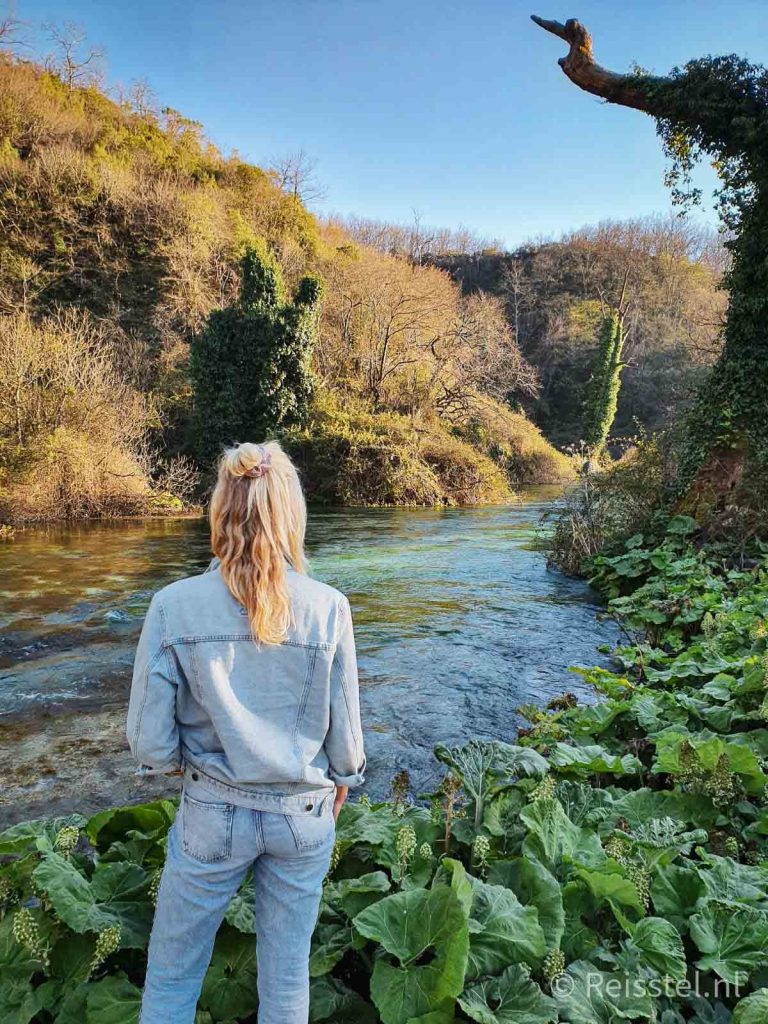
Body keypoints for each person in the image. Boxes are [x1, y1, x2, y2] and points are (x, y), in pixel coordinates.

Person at [126, 440, 366, 1024]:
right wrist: (342, 781)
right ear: (291, 512)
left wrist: (185, 764)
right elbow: (346, 734)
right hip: (303, 815)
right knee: (286, 981)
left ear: (218, 510)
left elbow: (152, 743)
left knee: (174, 975)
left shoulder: (172, 605)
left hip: (212, 810)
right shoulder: (328, 605)